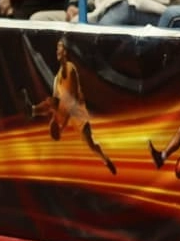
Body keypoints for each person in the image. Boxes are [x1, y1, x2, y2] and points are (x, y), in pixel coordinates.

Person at [23, 38, 117, 175]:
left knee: (91, 144)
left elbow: (70, 100)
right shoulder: (57, 78)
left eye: (60, 47)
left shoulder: (70, 68)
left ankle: (105, 160)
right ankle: (32, 110)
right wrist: (53, 116)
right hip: (65, 109)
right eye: (57, 48)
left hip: (78, 113)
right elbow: (55, 101)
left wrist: (60, 124)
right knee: (51, 101)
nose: (57, 50)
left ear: (65, 51)